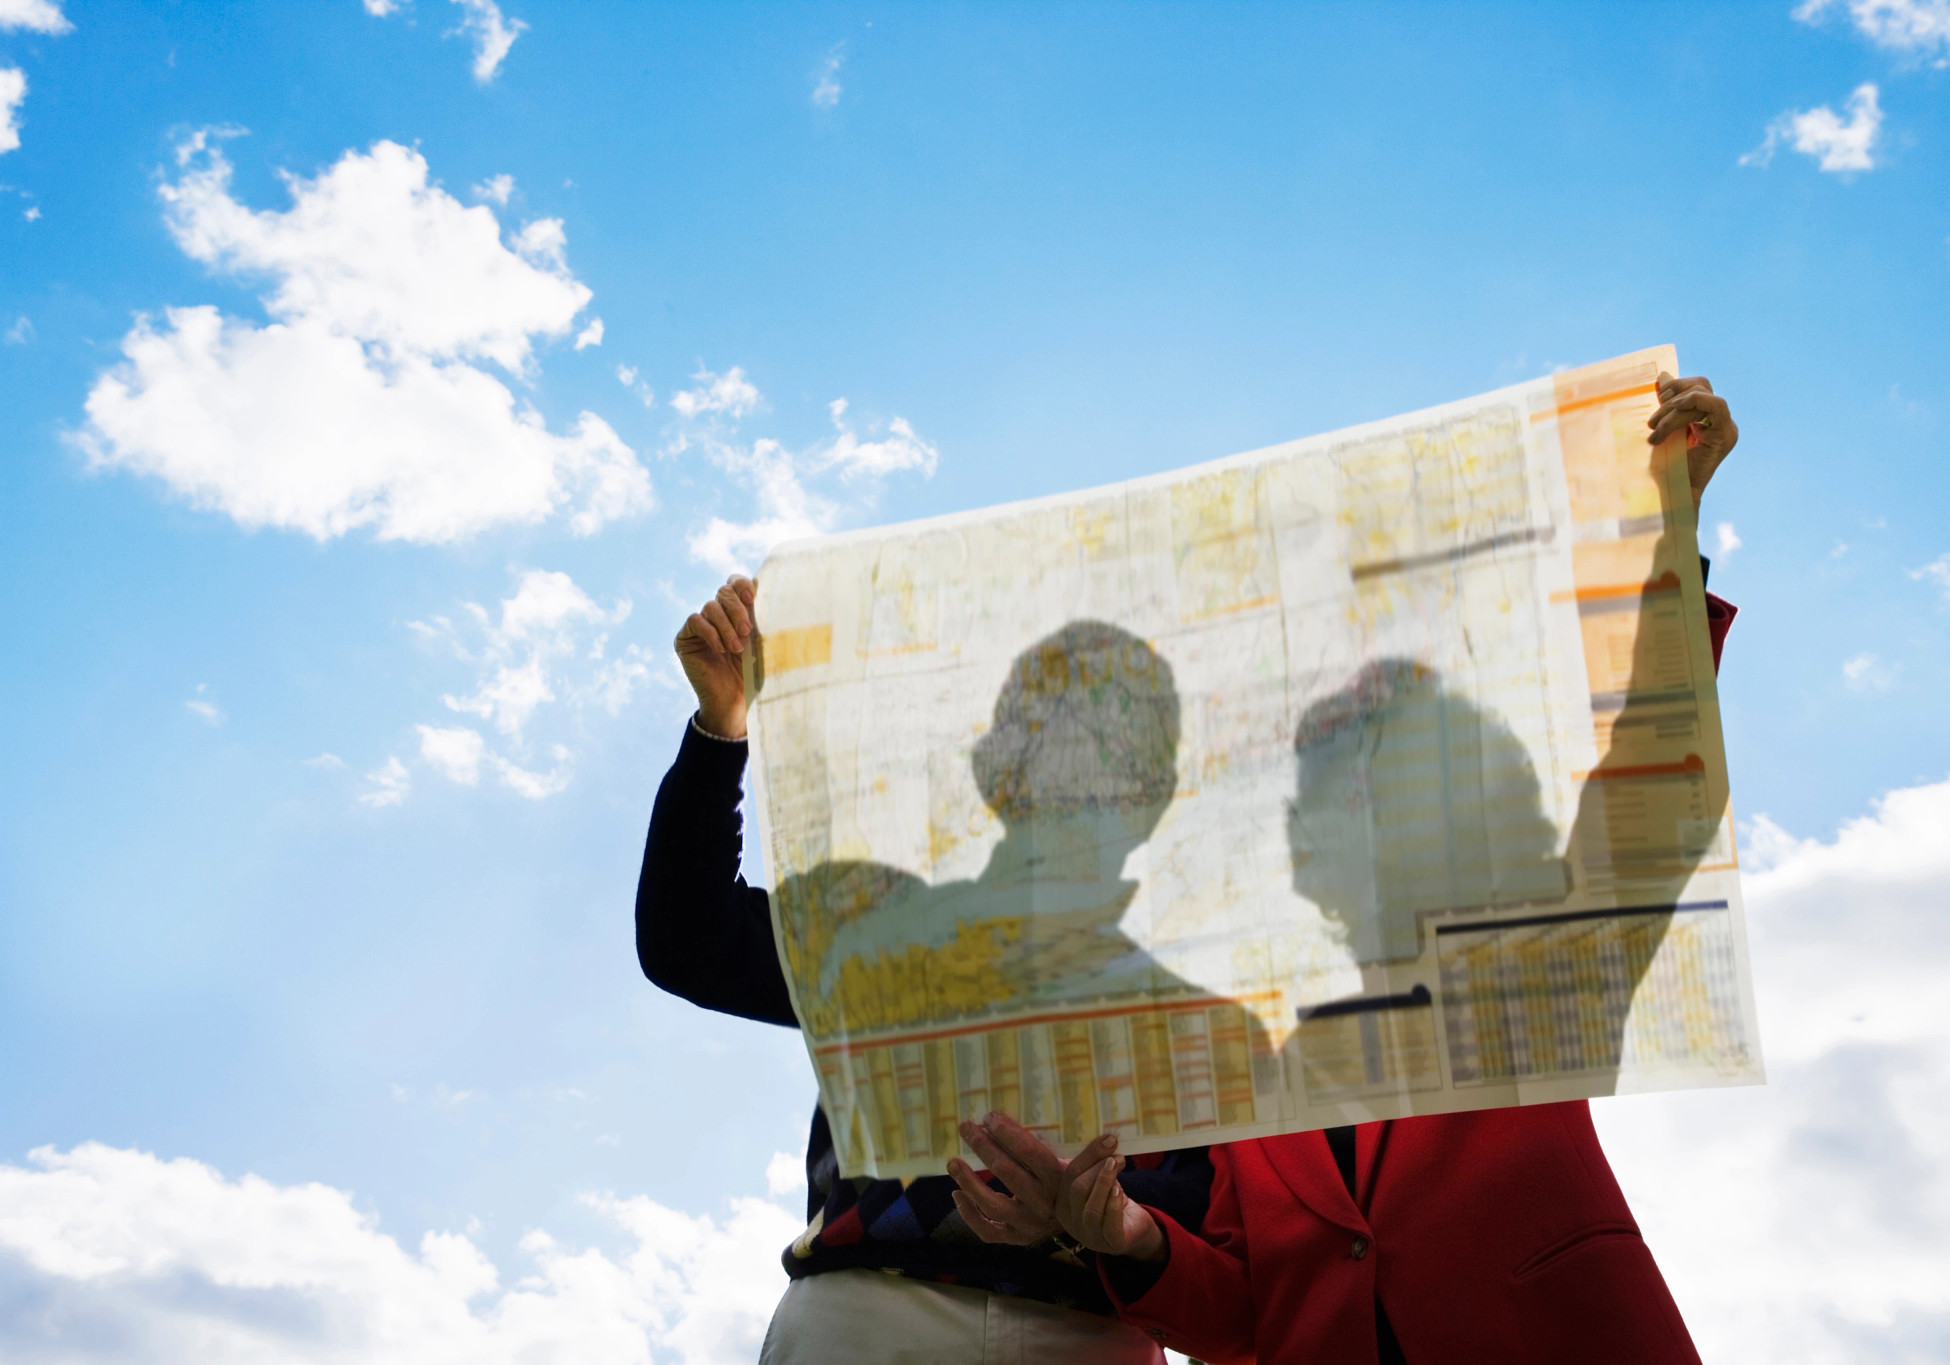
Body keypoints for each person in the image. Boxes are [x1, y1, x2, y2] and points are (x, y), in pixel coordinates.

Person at [949, 371, 1744, 1364]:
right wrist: (1126, 1237)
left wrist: (1664, 523)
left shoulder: (1525, 968)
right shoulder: (1260, 1079)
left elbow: (1648, 791)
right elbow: (1244, 1315)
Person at [639, 611, 1227, 1361]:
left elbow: (1219, 1207)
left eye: (1121, 750)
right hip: (871, 1310)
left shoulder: (1196, 1012)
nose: (1084, 771)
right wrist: (720, 728)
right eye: (1051, 732)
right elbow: (689, 942)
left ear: (1159, 792)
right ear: (991, 761)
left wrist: (1101, 1213)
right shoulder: (877, 922)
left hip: (1094, 1326)